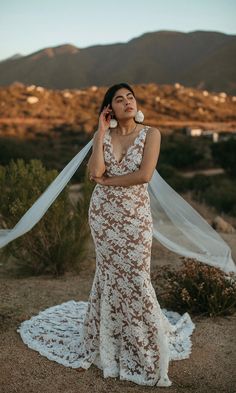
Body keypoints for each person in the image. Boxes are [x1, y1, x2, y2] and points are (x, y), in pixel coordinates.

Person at [4, 82, 235, 387]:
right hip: (103, 216)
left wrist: (108, 183)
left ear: (136, 104)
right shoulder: (106, 135)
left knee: (137, 275)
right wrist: (100, 132)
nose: (127, 102)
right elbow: (95, 171)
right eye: (119, 99)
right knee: (109, 275)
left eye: (130, 97)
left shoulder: (152, 134)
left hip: (134, 216)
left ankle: (141, 341)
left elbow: (144, 175)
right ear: (109, 109)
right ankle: (109, 337)